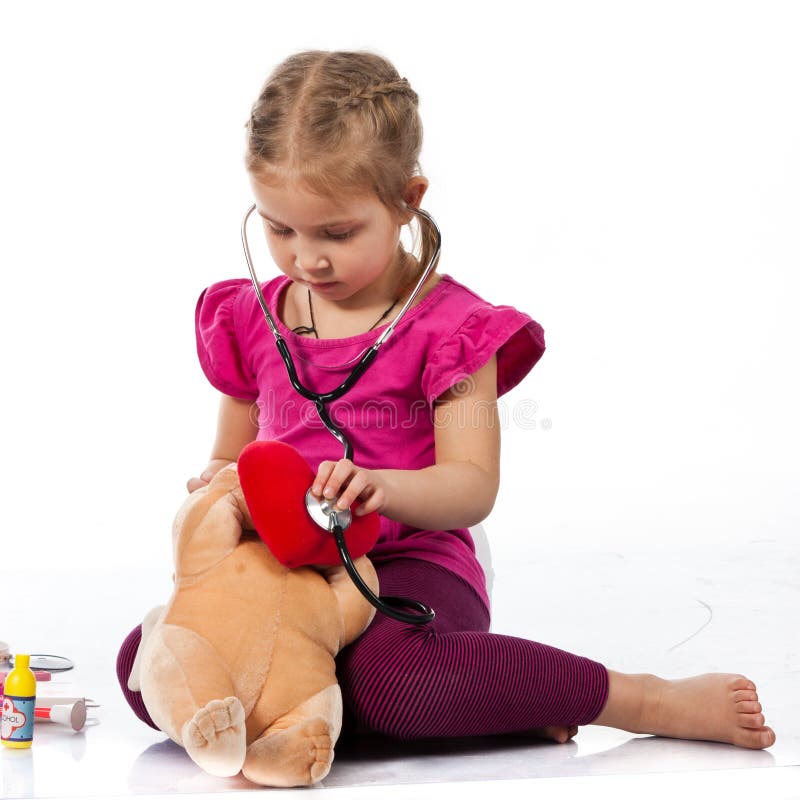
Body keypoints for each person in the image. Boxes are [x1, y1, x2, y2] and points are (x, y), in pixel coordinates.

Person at [117, 49, 775, 750]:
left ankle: (637, 699)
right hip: (289, 569)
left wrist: (380, 488)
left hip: (413, 560)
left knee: (392, 684)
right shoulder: (249, 318)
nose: (306, 260)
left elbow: (471, 487)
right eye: (279, 229)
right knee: (146, 666)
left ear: (408, 199)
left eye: (336, 233)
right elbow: (230, 453)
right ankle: (496, 696)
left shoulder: (455, 330)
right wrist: (214, 485)